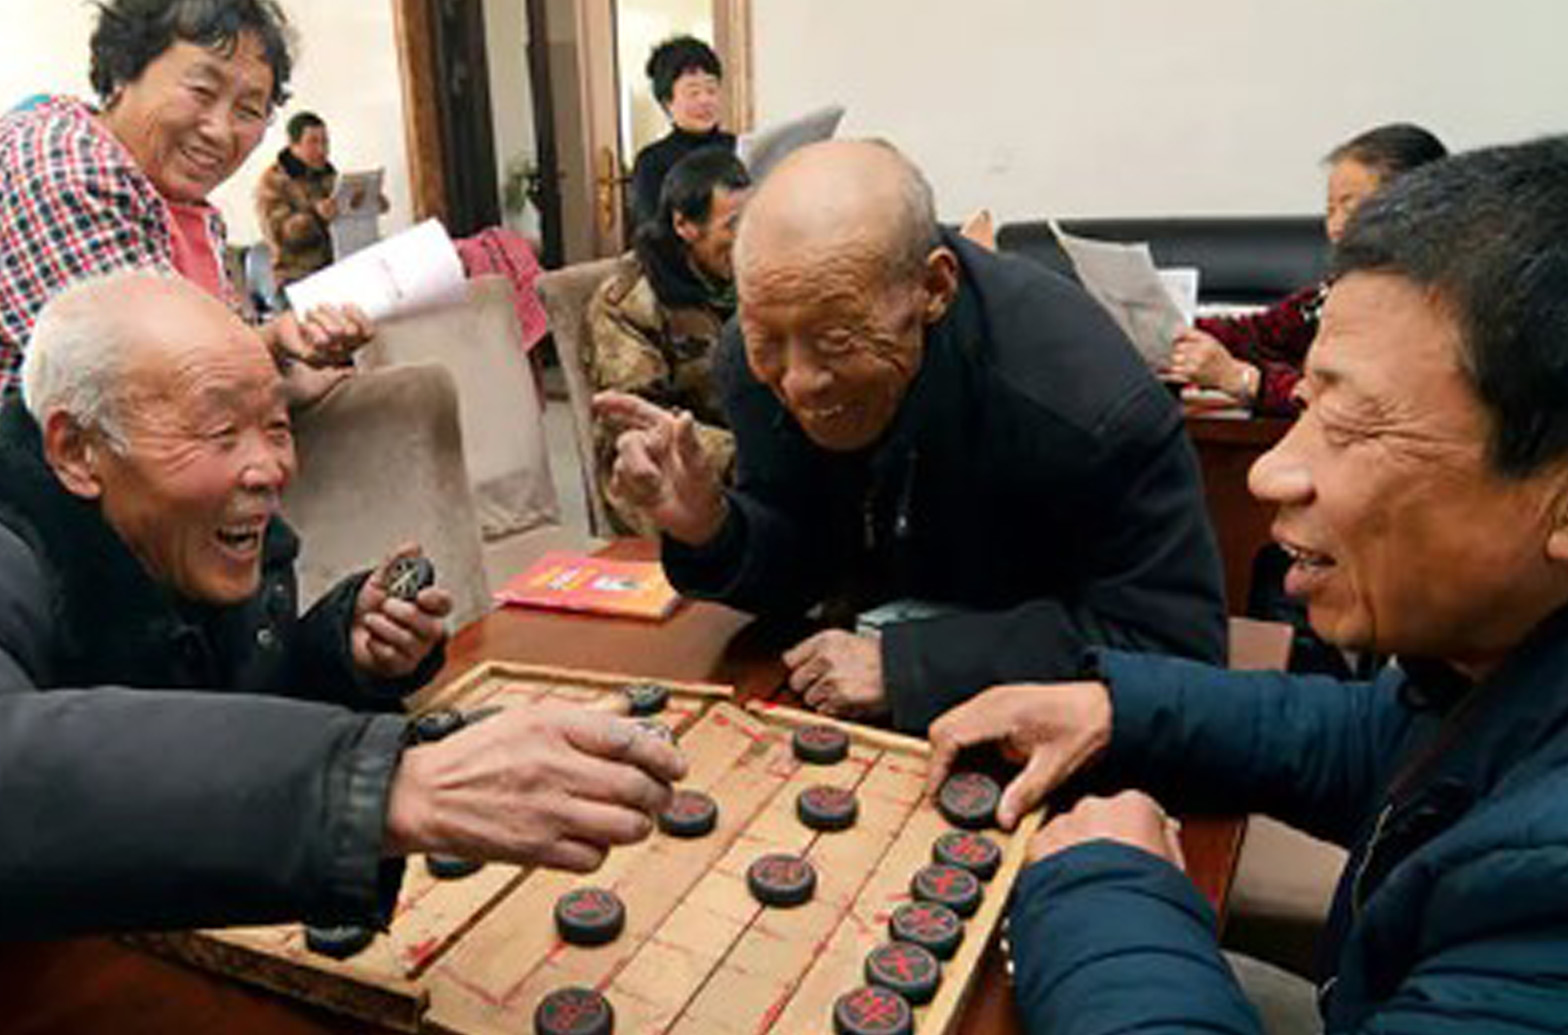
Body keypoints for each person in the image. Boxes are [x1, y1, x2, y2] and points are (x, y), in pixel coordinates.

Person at [0, 271, 686, 1016]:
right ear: (78, 450)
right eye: (219, 432)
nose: (270, 469)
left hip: (105, 952)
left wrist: (338, 655)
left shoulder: (179, 530)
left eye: (276, 426)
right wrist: (385, 783)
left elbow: (194, 722)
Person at [929, 136, 1568, 1034]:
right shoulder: (1496, 663)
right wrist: (1114, 709)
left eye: (1349, 420)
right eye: (1304, 406)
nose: (1271, 474)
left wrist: (1109, 884)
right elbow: (1372, 735)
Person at [596, 140, 1226, 734]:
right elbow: (807, 554)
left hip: (1049, 730)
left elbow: (1175, 647)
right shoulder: (756, 354)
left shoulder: (1085, 401)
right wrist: (714, 529)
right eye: (768, 340)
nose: (800, 381)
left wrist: (911, 666)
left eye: (837, 340)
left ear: (933, 288)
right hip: (848, 703)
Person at [0, 0, 372, 493]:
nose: (220, 130)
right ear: (123, 71)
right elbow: (155, 387)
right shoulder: (63, 167)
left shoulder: (180, 208)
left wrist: (284, 368)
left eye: (248, 111)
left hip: (91, 505)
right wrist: (276, 351)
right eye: (201, 90)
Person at [1167, 123, 1447, 414]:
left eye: (1350, 208)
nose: (1335, 226)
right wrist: (1166, 328)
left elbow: (1349, 404)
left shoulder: (1428, 302)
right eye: (1330, 210)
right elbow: (1260, 335)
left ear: (1413, 208)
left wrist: (1240, 379)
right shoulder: (1342, 287)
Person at [587, 148, 750, 534]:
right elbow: (633, 420)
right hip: (663, 477)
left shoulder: (745, 276)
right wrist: (748, 456)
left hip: (746, 457)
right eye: (732, 225)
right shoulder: (629, 301)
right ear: (685, 225)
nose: (745, 239)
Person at [255, 110, 386, 291]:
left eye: (325, 142)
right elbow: (280, 235)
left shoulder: (328, 175)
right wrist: (315, 216)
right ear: (294, 145)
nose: (322, 150)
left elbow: (342, 214)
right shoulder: (273, 181)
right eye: (313, 142)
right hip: (297, 278)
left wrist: (367, 203)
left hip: (336, 269)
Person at [628, 35, 735, 234]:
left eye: (711, 90)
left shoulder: (739, 147)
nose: (705, 100)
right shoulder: (651, 162)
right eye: (693, 92)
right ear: (667, 102)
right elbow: (651, 233)